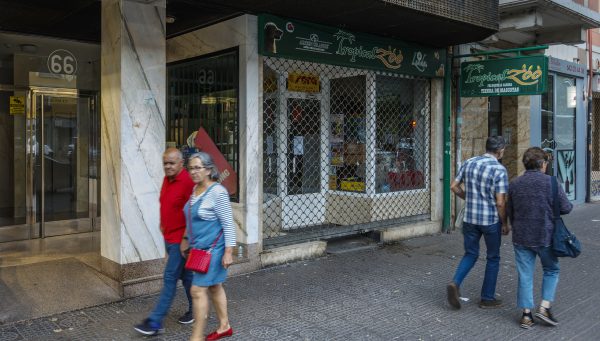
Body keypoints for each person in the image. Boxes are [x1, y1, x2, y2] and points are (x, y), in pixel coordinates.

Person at [507, 147, 573, 329]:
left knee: (525, 275)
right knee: (551, 270)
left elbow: (510, 211)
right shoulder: (551, 183)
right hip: (546, 236)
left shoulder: (514, 184)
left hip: (521, 237)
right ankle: (544, 307)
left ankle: (526, 315)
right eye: (545, 163)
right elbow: (566, 208)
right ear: (542, 164)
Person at [134, 148, 195, 335]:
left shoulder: (187, 182)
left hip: (180, 240)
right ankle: (197, 308)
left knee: (169, 279)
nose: (167, 166)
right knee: (186, 277)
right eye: (165, 163)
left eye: (171, 163)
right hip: (169, 237)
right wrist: (162, 224)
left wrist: (185, 239)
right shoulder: (167, 179)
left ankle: (155, 322)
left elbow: (193, 213)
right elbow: (166, 203)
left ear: (181, 163)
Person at [447, 136, 510, 309]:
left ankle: (455, 282)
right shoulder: (499, 170)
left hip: (470, 218)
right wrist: (505, 223)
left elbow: (453, 186)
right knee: (493, 257)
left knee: (470, 253)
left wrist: (468, 197)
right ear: (499, 151)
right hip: (490, 220)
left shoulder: (469, 162)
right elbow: (500, 202)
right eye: (503, 149)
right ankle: (487, 297)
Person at [184, 152, 236, 341]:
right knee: (214, 286)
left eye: (198, 167)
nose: (193, 171)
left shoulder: (217, 192)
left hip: (214, 250)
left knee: (197, 290)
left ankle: (196, 337)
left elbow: (228, 223)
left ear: (208, 169)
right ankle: (225, 326)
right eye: (191, 168)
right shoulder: (195, 190)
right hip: (199, 248)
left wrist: (228, 252)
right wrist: (186, 240)